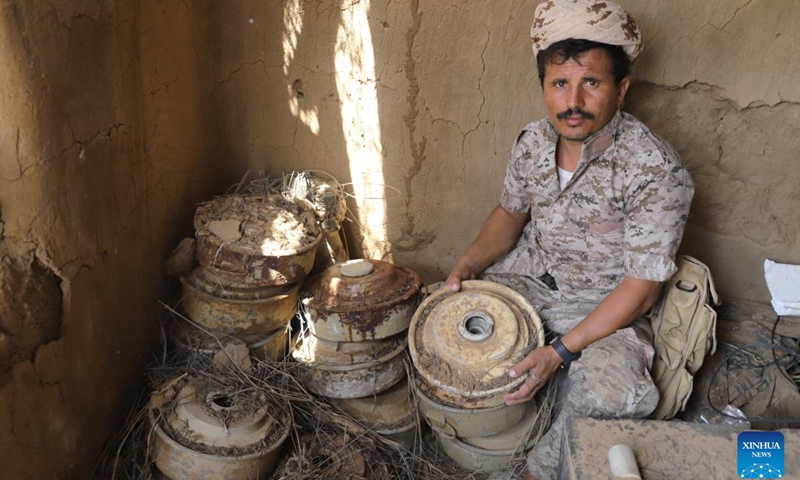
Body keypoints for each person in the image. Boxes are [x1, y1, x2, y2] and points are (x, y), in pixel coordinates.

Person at [444, 1, 694, 479]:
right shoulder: (533, 142)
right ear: (544, 86)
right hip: (532, 279)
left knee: (606, 392)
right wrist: (467, 267)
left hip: (608, 309)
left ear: (621, 89)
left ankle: (539, 471)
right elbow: (508, 214)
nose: (572, 101)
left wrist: (560, 351)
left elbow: (642, 287)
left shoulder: (655, 169)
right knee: (448, 321)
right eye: (560, 83)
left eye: (591, 83)